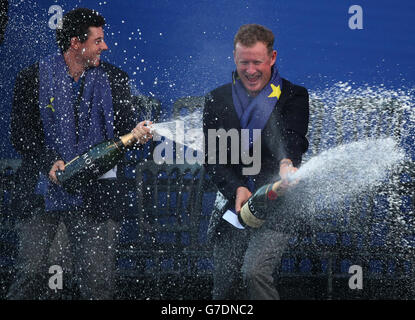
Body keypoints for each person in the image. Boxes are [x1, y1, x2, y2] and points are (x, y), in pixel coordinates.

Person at [7, 8, 152, 299]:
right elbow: (21, 135)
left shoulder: (114, 79)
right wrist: (49, 161)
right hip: (41, 196)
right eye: (98, 41)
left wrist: (139, 133)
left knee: (98, 283)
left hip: (97, 197)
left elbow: (126, 131)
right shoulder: (31, 78)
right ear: (76, 43)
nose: (105, 46)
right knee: (31, 276)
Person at [203, 24, 309, 300]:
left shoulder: (294, 96)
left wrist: (287, 162)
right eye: (243, 63)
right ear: (234, 59)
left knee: (254, 272)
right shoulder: (217, 99)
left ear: (272, 58)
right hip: (233, 202)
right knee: (224, 285)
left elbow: (293, 136)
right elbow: (213, 159)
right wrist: (236, 188)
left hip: (278, 201)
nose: (250, 70)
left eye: (257, 62)